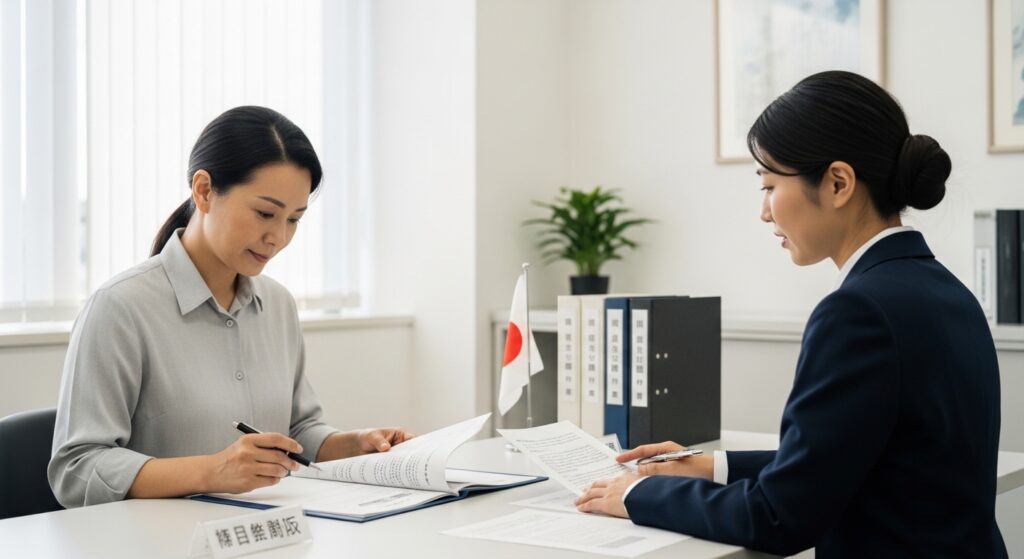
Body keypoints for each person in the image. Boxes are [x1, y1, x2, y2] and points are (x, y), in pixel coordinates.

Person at [575, 71, 1007, 558]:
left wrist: (637, 495)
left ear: (838, 182)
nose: (764, 212)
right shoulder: (947, 293)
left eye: (769, 185)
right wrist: (710, 466)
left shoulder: (857, 312)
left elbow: (779, 517)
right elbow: (858, 457)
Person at [49, 106, 412, 508]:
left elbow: (296, 431)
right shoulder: (121, 307)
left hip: (265, 538)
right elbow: (77, 468)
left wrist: (355, 443)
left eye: (294, 220)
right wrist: (213, 470)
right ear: (204, 191)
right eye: (265, 213)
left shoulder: (277, 305)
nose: (278, 237)